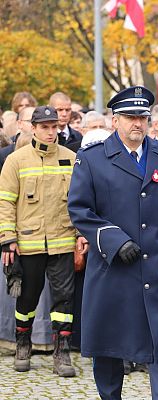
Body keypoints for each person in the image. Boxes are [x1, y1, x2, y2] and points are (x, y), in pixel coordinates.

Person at [67, 86, 158, 399]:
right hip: (113, 272)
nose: (137, 122)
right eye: (129, 117)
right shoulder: (92, 159)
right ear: (115, 121)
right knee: (109, 351)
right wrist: (113, 240)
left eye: (142, 116)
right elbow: (79, 209)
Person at [0, 106, 83, 377]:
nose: (50, 132)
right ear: (33, 128)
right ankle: (23, 344)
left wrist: (81, 236)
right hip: (28, 242)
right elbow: (6, 202)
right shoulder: (17, 160)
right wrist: (7, 240)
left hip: (62, 240)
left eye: (54, 127)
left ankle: (62, 352)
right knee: (27, 299)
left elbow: (81, 202)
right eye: (44, 127)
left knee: (64, 301)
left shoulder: (71, 158)